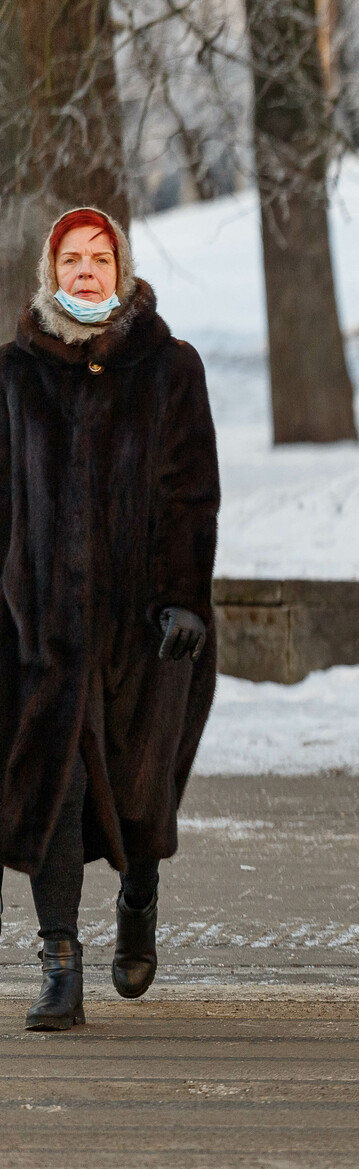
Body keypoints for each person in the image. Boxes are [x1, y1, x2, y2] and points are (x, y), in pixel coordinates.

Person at [0, 207, 219, 1030]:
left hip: (147, 629)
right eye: (71, 260)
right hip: (41, 630)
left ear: (121, 269)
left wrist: (186, 601)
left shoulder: (170, 368)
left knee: (137, 792)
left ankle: (139, 894)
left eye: (99, 258)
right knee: (49, 788)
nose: (85, 272)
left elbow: (192, 495)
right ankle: (60, 963)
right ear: (51, 272)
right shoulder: (15, 376)